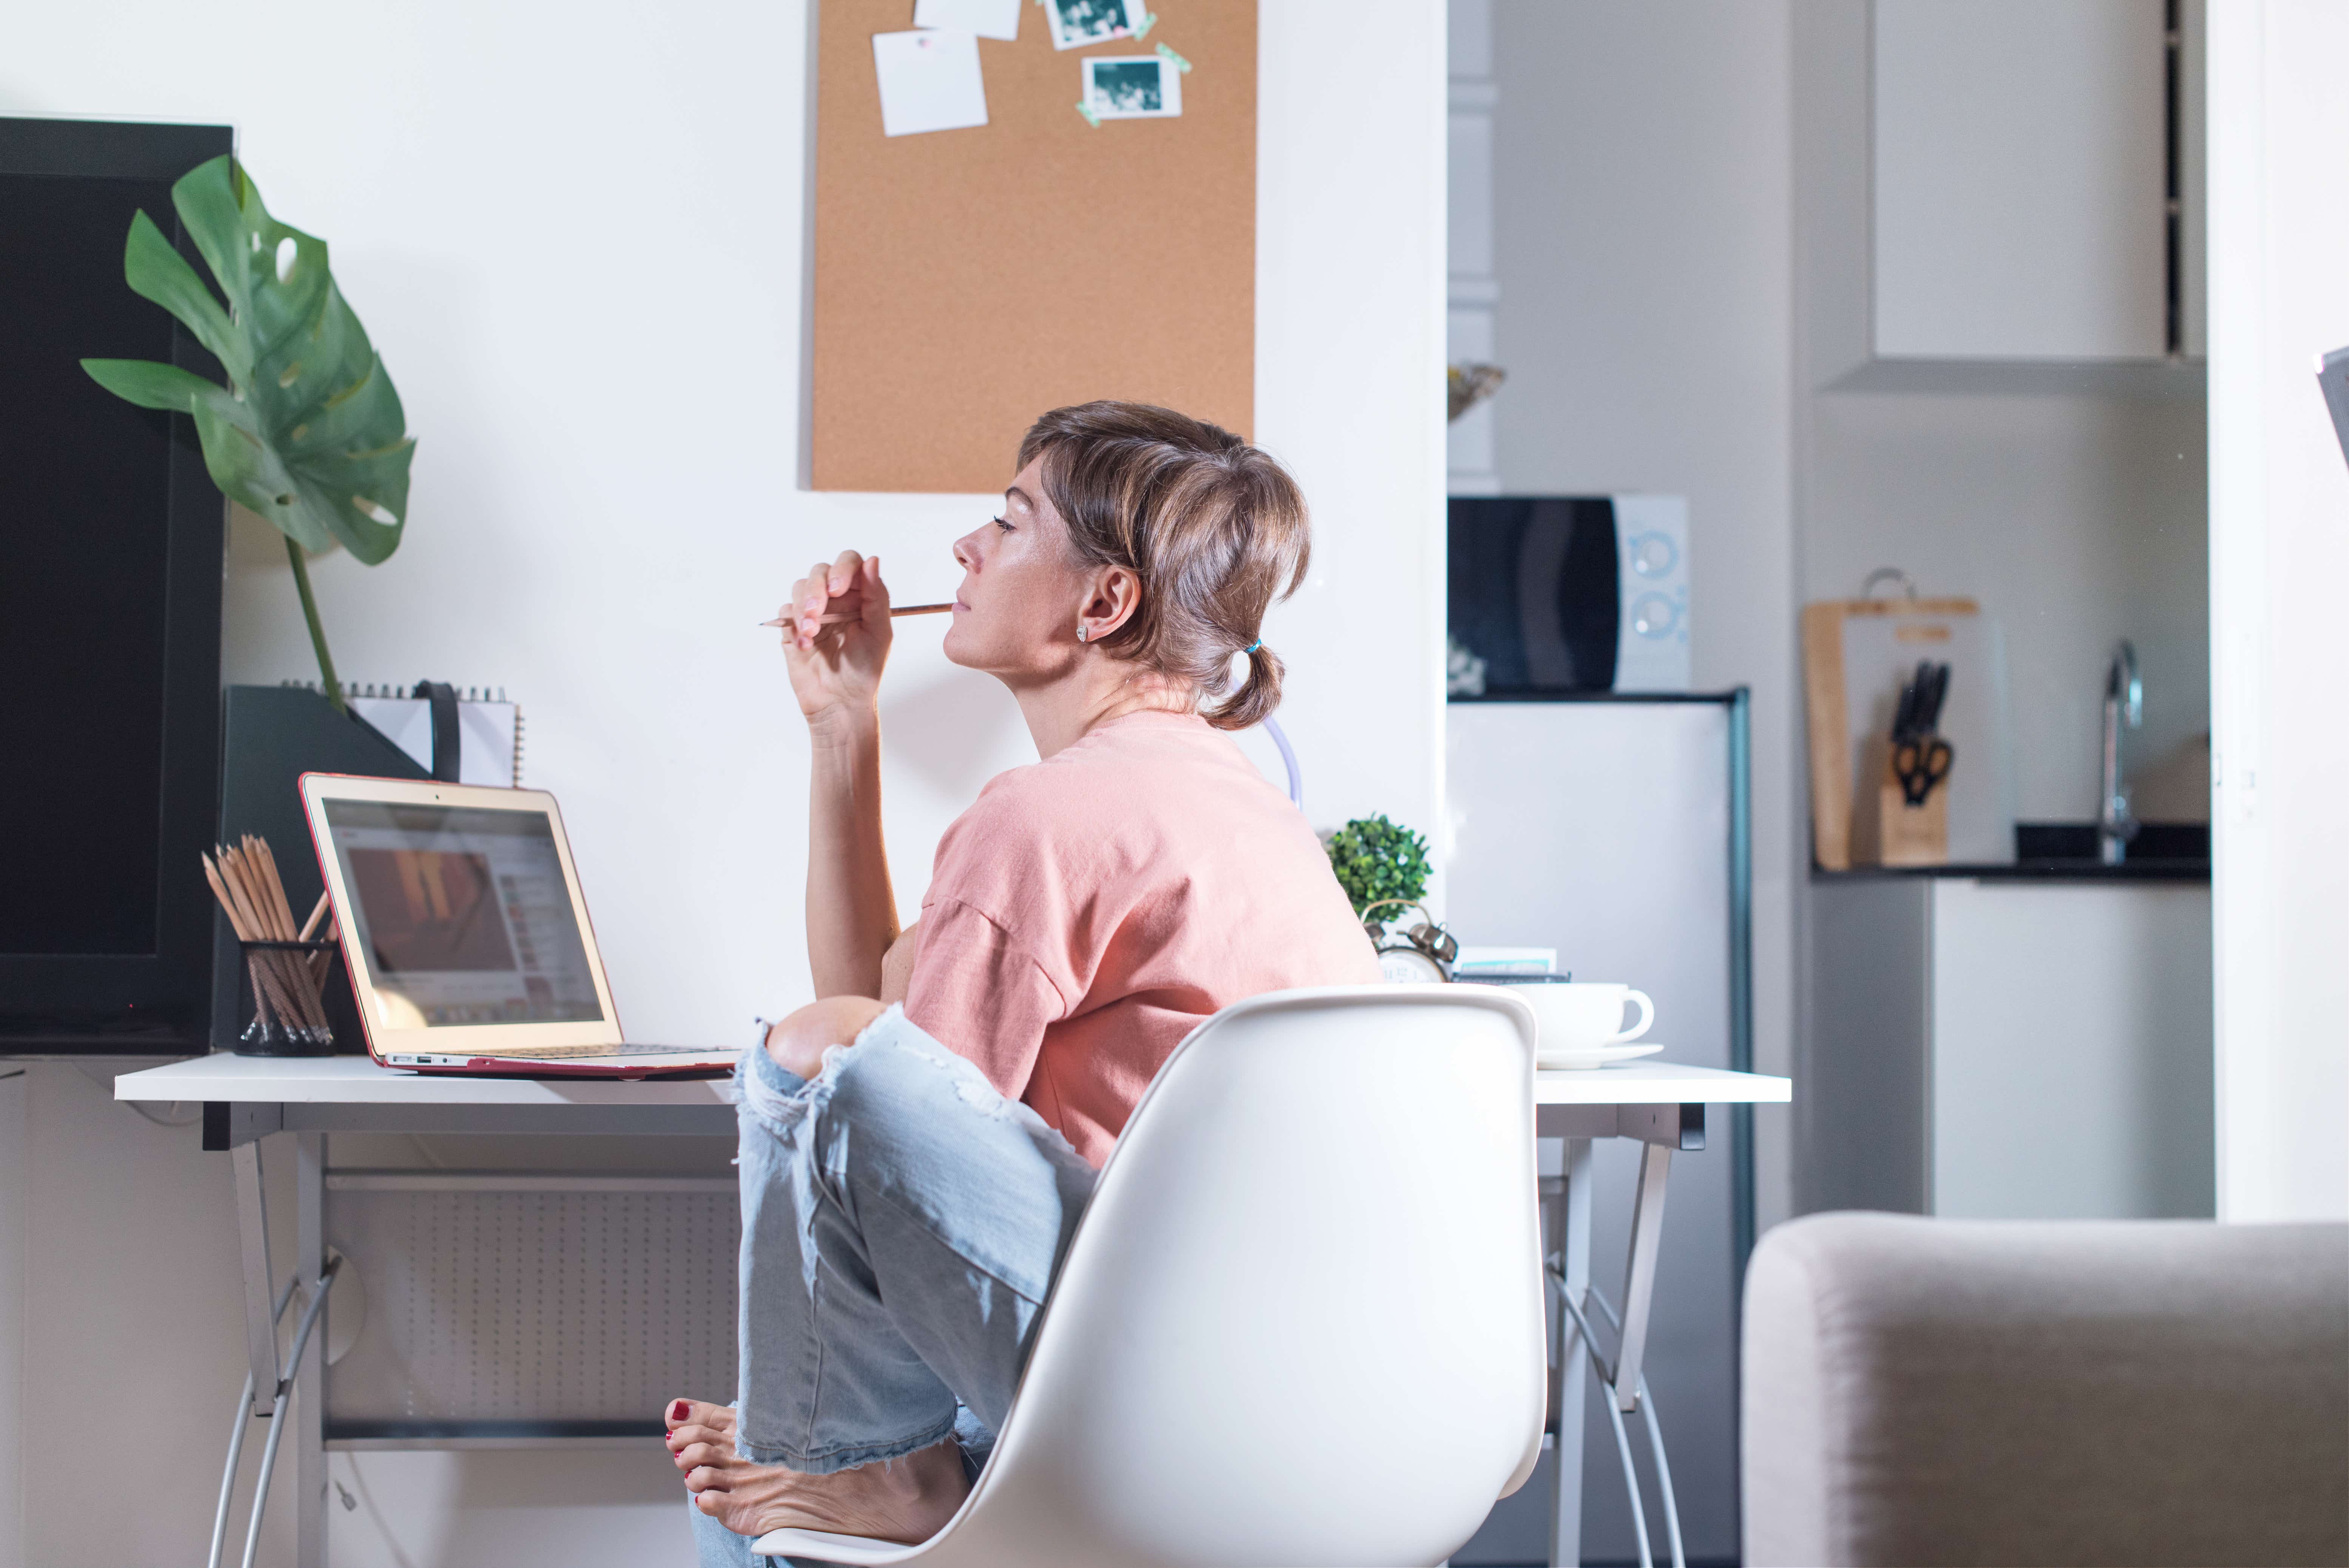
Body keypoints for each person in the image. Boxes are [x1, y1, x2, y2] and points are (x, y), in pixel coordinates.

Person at [664, 402, 1381, 1562]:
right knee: (834, 1051)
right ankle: (849, 1462)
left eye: (1007, 522)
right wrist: (844, 723)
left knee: (801, 1053)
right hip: (1275, 1372)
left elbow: (849, 1077)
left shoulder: (1049, 817)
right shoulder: (1232, 798)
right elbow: (888, 1051)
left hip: (1144, 1378)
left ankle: (867, 1471)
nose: (964, 550)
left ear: (1104, 604)